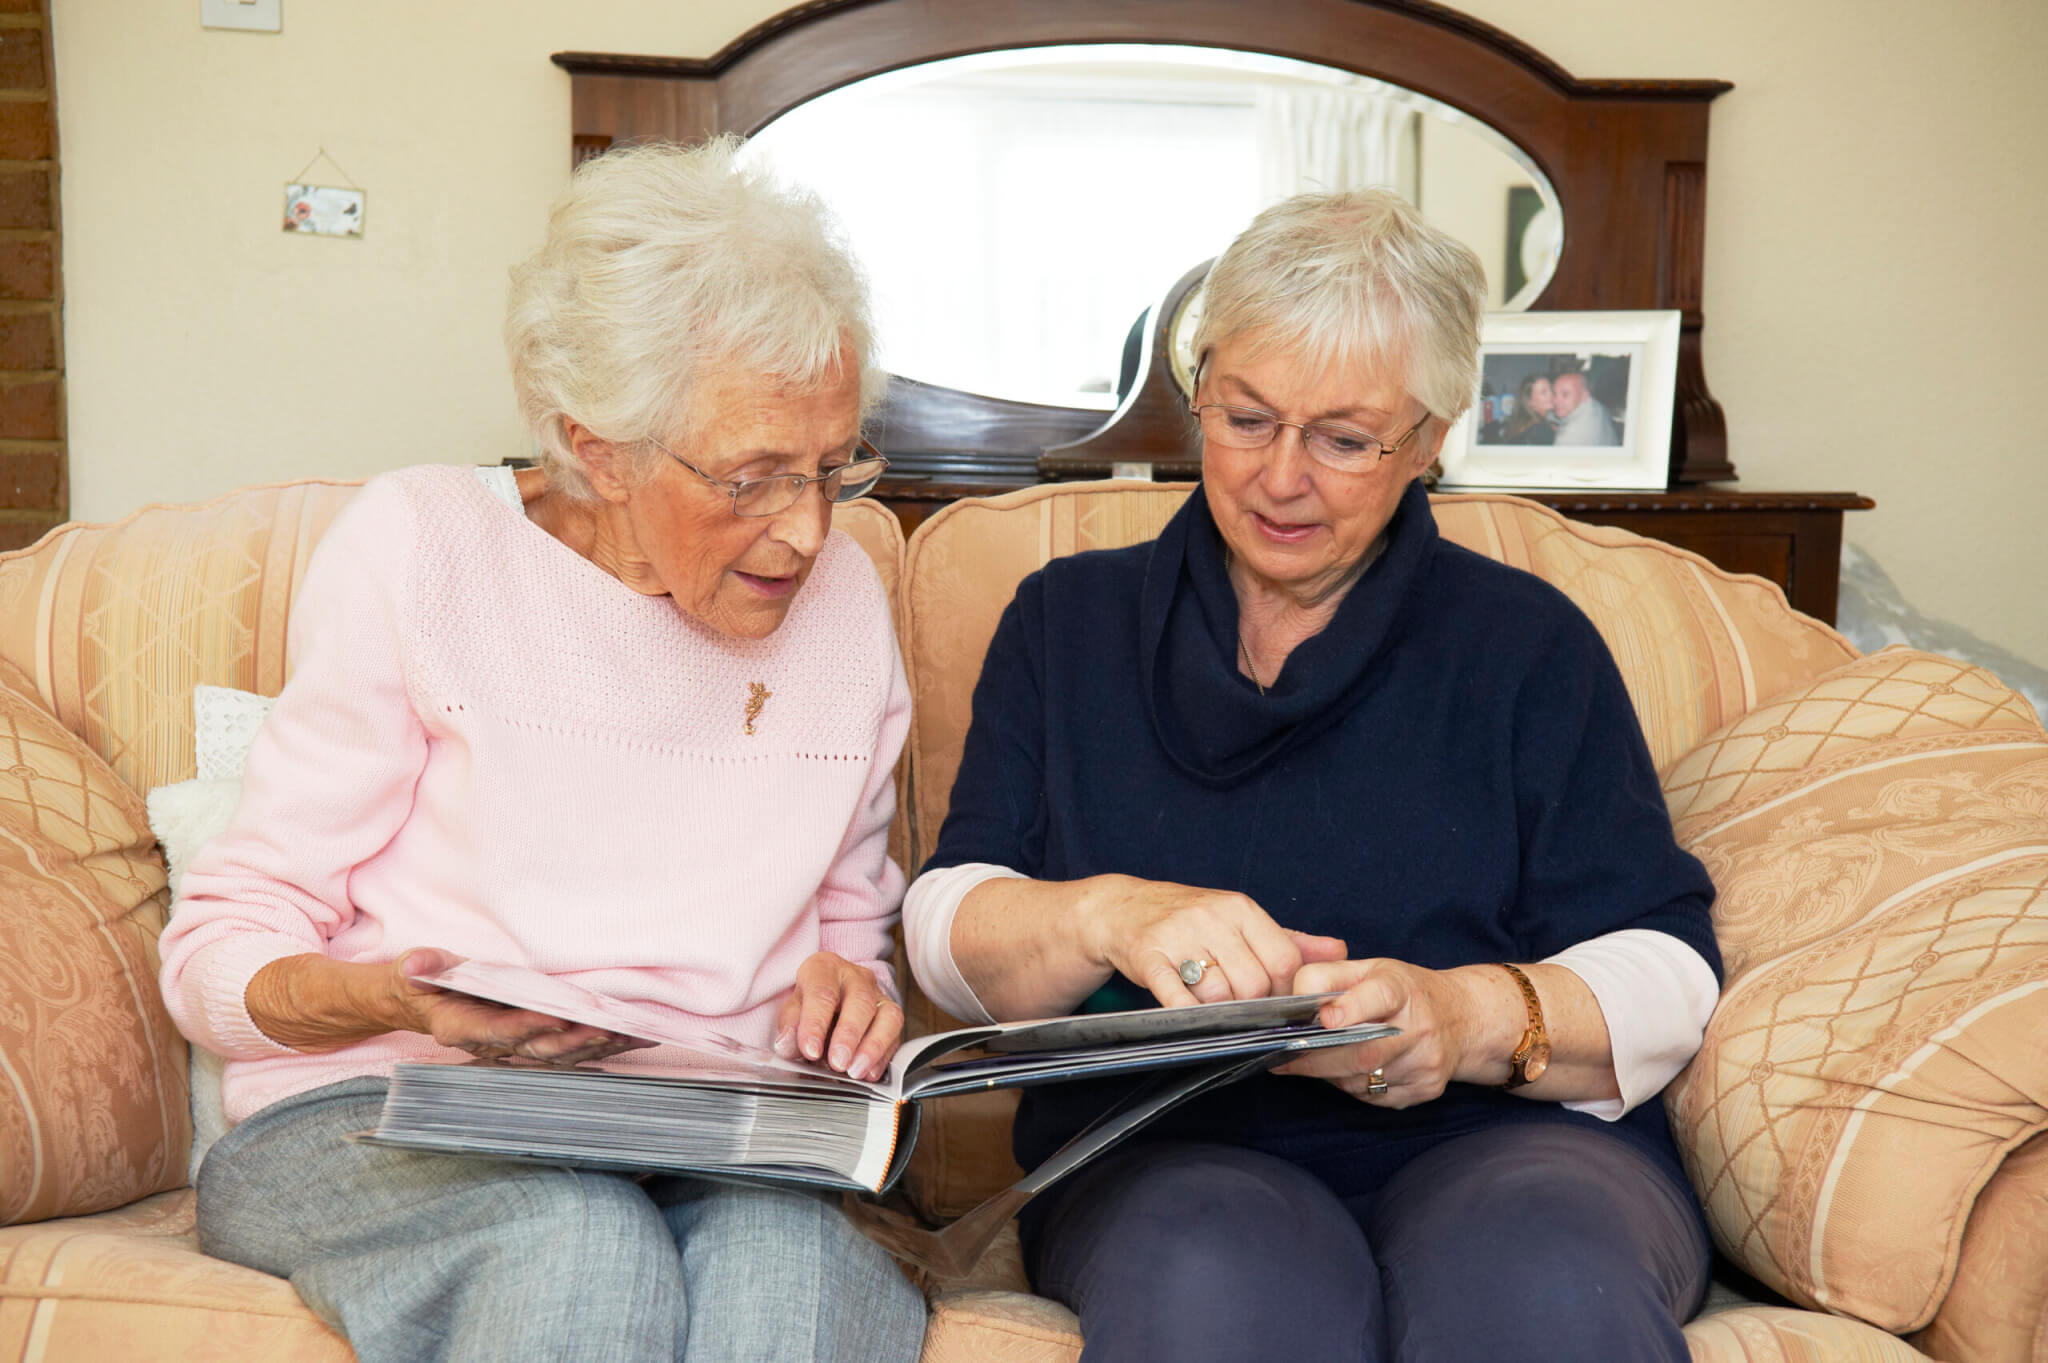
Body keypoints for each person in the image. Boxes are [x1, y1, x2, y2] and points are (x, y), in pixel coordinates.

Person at [903, 187, 1720, 1362]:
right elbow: (944, 919)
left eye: (1342, 440)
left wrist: (1465, 1015)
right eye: (1244, 418)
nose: (1279, 477)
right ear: (1200, 388)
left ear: (1428, 438)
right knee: (1218, 1287)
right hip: (1164, 1161)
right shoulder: (1063, 624)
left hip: (1506, 1146)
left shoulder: (1523, 645)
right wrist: (1106, 915)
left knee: (1539, 1289)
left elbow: (1666, 963)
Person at [157, 139, 927, 1363]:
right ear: (600, 446)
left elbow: (847, 925)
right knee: (573, 1235)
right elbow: (222, 948)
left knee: (790, 1267)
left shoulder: (842, 610)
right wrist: (403, 1001)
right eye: (751, 479)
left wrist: (855, 989)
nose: (805, 530)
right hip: (389, 1118)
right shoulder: (425, 547)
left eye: (833, 467)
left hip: (709, 1129)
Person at [1550, 367, 1621, 445]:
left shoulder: (1567, 440)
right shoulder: (1596, 405)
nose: (1555, 401)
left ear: (1584, 395)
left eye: (1565, 394)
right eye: (1555, 393)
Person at [1496, 372, 1556, 445]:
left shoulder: (1522, 424)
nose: (1551, 394)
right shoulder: (1541, 430)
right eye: (1543, 392)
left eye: (1551, 389)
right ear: (1530, 402)